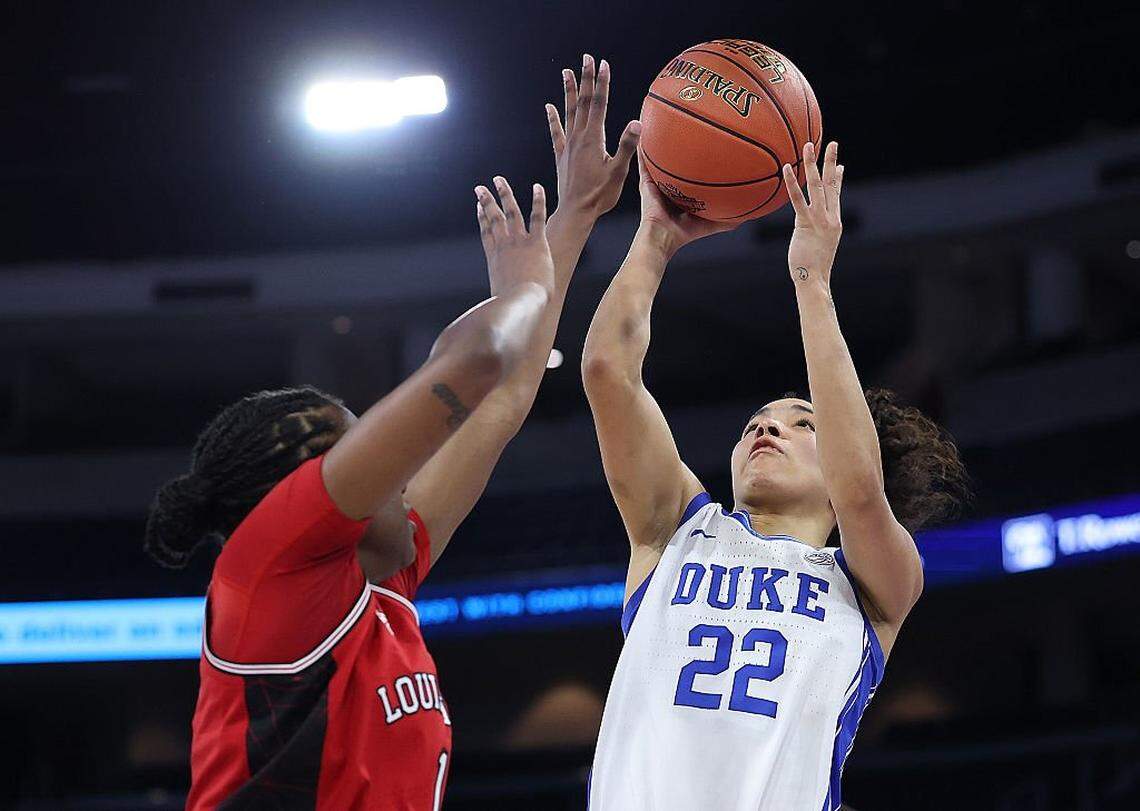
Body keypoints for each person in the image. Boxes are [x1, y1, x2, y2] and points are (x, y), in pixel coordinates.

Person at [145, 54, 640, 810]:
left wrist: (573, 218)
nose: (403, 472)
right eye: (375, 455)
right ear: (311, 489)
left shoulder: (378, 583)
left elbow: (501, 401)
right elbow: (478, 361)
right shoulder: (269, 562)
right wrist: (528, 288)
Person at [582, 141, 970, 810]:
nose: (766, 429)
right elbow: (606, 373)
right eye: (755, 423)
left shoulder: (876, 581)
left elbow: (859, 491)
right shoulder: (675, 530)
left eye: (801, 423)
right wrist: (653, 239)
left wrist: (812, 282)